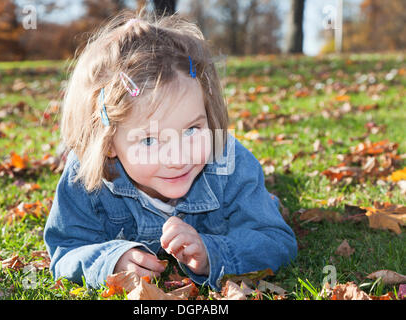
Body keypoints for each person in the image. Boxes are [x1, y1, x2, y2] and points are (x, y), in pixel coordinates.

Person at [43, 10, 297, 291]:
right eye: (149, 140)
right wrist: (111, 262)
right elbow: (66, 248)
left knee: (266, 203)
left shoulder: (229, 162)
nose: (177, 157)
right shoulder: (85, 178)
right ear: (109, 142)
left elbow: (276, 240)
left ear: (207, 112)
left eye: (191, 130)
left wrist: (212, 253)